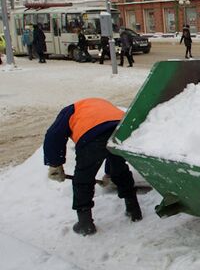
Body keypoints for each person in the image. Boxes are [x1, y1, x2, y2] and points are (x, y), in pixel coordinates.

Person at [43, 98, 142, 236]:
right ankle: (134, 209)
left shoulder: (68, 112)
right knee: (120, 169)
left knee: (83, 178)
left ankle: (85, 224)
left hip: (92, 134)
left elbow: (53, 136)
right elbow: (110, 151)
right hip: (121, 128)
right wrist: (110, 173)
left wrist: (54, 164)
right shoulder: (96, 103)